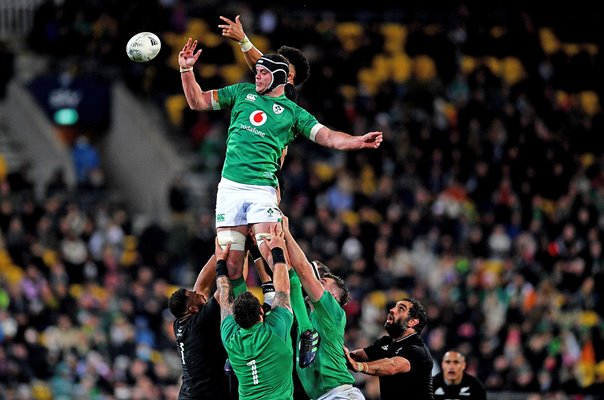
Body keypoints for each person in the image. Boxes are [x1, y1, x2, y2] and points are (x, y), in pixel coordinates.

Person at [178, 35, 382, 282]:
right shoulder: (242, 91)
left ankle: (285, 309)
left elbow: (328, 137)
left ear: (279, 78)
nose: (256, 75)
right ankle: (237, 318)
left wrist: (358, 140)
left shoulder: (294, 113)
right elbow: (197, 101)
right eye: (258, 71)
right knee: (231, 267)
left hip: (261, 188)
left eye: (263, 72)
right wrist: (186, 68)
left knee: (270, 253)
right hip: (230, 187)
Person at [282, 215, 365, 399]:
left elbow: (303, 271)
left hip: (341, 394)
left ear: (333, 297)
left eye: (323, 281)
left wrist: (286, 233)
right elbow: (294, 279)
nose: (317, 283)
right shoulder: (307, 318)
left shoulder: (334, 312)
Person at [216, 224, 296, 399]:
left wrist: (277, 250)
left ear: (236, 320)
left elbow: (283, 291)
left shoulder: (231, 338)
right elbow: (224, 296)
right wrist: (220, 263)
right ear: (261, 311)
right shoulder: (274, 331)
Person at [168, 255, 232, 399]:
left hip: (190, 394)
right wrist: (226, 258)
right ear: (192, 309)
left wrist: (217, 254)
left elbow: (202, 286)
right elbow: (225, 289)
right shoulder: (199, 323)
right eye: (195, 295)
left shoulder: (180, 321)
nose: (199, 294)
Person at [345, 298, 434, 400]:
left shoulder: (417, 350)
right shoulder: (386, 342)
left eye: (401, 309)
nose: (392, 310)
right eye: (394, 306)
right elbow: (355, 356)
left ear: (411, 322)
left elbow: (392, 366)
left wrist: (360, 366)